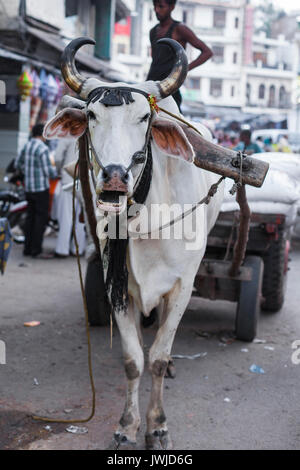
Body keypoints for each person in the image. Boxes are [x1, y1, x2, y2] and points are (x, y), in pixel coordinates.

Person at [147, 0, 213, 110]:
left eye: (161, 6)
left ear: (172, 7)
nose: (156, 10)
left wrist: (184, 70)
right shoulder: (153, 31)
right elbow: (155, 59)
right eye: (155, 6)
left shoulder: (180, 29)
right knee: (149, 115)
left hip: (170, 86)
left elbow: (207, 52)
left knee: (172, 118)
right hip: (151, 85)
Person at [14, 123, 57, 259]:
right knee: (40, 219)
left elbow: (17, 164)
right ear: (42, 134)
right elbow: (49, 171)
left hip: (29, 188)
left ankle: (27, 248)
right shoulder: (43, 149)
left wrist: (27, 171)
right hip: (40, 189)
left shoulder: (26, 146)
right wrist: (56, 173)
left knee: (30, 218)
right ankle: (36, 250)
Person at [54, 139, 86, 258]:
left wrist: (59, 171)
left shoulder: (68, 134)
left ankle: (62, 250)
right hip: (84, 181)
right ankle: (78, 249)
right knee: (81, 219)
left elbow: (57, 157)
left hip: (68, 179)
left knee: (66, 217)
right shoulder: (90, 132)